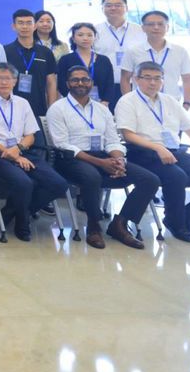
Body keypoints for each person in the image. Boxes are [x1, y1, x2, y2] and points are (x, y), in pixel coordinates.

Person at [46, 66, 160, 249]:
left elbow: (113, 140)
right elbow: (62, 144)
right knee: (92, 176)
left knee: (150, 180)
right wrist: (101, 163)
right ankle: (93, 227)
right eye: (75, 80)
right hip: (70, 159)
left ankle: (120, 224)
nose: (80, 83)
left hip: (104, 156)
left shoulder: (102, 110)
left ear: (91, 83)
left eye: (85, 79)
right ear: (67, 84)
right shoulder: (57, 109)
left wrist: (118, 160)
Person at [117, 61, 190, 243]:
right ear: (136, 79)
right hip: (143, 153)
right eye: (147, 78)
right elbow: (127, 134)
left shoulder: (169, 101)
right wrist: (157, 147)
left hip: (174, 152)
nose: (152, 83)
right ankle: (177, 224)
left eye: (157, 78)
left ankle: (188, 220)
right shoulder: (127, 101)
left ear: (163, 80)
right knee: (177, 176)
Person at [0, 63, 68, 241]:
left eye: (8, 78)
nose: (4, 82)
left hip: (23, 151)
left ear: (15, 81)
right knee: (24, 183)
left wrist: (17, 150)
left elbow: (30, 135)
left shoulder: (23, 103)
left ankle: (14, 211)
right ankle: (22, 224)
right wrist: (10, 152)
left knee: (58, 183)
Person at [119, 11, 190, 106]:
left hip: (172, 103)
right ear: (143, 28)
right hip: (141, 104)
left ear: (167, 27)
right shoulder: (133, 51)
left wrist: (187, 104)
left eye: (160, 24)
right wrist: (129, 103)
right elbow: (125, 79)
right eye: (151, 24)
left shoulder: (180, 51)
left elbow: (187, 80)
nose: (156, 27)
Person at [4, 8, 59, 119]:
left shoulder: (45, 52)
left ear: (35, 26)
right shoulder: (5, 51)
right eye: (20, 23)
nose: (25, 27)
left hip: (39, 108)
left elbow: (51, 82)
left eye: (29, 23)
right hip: (11, 109)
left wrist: (52, 109)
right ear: (14, 26)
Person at [94, 0, 146, 107]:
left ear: (126, 8)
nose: (113, 8)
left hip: (133, 84)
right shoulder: (94, 31)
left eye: (118, 5)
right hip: (104, 85)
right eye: (108, 5)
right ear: (102, 9)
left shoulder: (140, 31)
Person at [56, 23, 117, 106]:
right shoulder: (65, 60)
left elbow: (109, 83)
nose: (85, 38)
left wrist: (105, 101)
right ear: (73, 38)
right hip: (73, 104)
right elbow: (61, 84)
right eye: (80, 35)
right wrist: (73, 101)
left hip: (101, 104)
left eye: (89, 35)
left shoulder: (104, 60)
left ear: (95, 38)